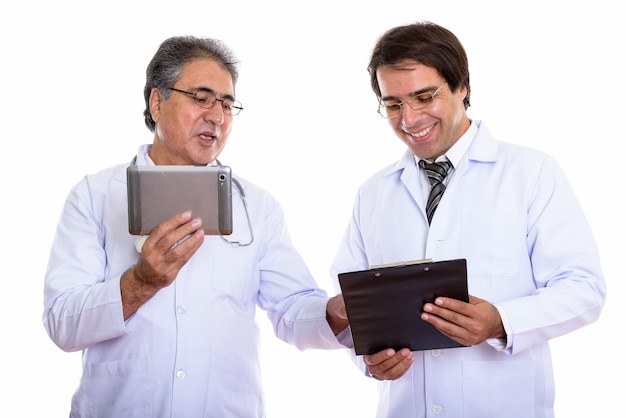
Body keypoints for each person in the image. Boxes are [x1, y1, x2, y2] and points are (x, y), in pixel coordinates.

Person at [43, 35, 348, 417]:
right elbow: (62, 323)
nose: (217, 116)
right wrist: (140, 283)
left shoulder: (258, 206)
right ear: (157, 102)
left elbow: (292, 310)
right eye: (201, 98)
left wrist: (339, 312)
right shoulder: (96, 195)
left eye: (226, 104)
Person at [330, 21, 607, 418]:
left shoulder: (531, 172)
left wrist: (501, 321)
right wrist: (369, 360)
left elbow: (585, 288)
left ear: (463, 87)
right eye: (393, 104)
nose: (409, 119)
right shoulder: (373, 193)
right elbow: (352, 303)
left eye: (424, 96)